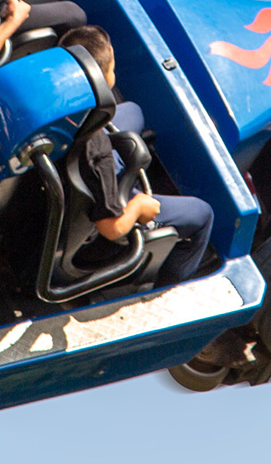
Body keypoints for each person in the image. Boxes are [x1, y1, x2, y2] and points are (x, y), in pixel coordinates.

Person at [60, 26, 214, 285]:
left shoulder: (55, 106)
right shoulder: (96, 151)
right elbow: (112, 229)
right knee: (203, 215)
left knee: (133, 111)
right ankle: (166, 286)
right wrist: (139, 206)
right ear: (102, 79)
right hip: (93, 224)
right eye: (111, 68)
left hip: (76, 161)